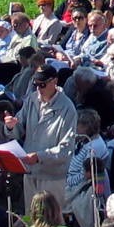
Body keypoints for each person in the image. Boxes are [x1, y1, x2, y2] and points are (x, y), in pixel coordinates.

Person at [12, 68, 78, 211]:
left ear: (54, 81)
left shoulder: (67, 108)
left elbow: (66, 149)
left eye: (42, 84)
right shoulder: (31, 100)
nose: (38, 88)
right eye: (36, 84)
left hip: (52, 177)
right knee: (31, 218)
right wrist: (11, 126)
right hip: (30, 172)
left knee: (51, 221)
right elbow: (19, 127)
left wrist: (39, 156)